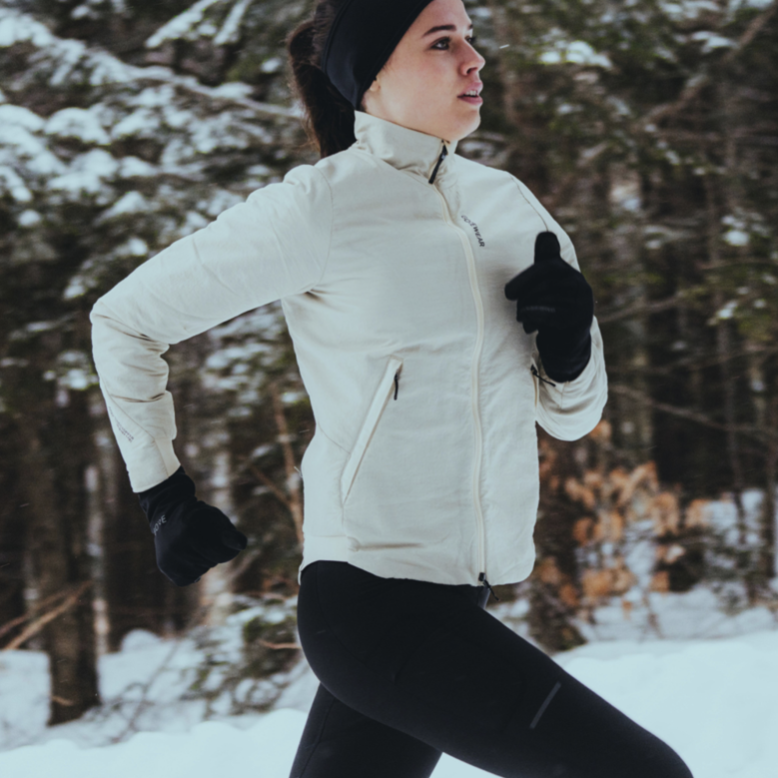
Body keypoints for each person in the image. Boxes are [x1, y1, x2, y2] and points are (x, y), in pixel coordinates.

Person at [90, 0, 694, 776]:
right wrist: (164, 494)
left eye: (470, 37)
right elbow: (125, 320)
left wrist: (571, 350)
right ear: (370, 75)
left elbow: (572, 419)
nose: (474, 58)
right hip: (371, 605)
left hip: (457, 596)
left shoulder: (511, 208)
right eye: (441, 42)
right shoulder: (320, 207)